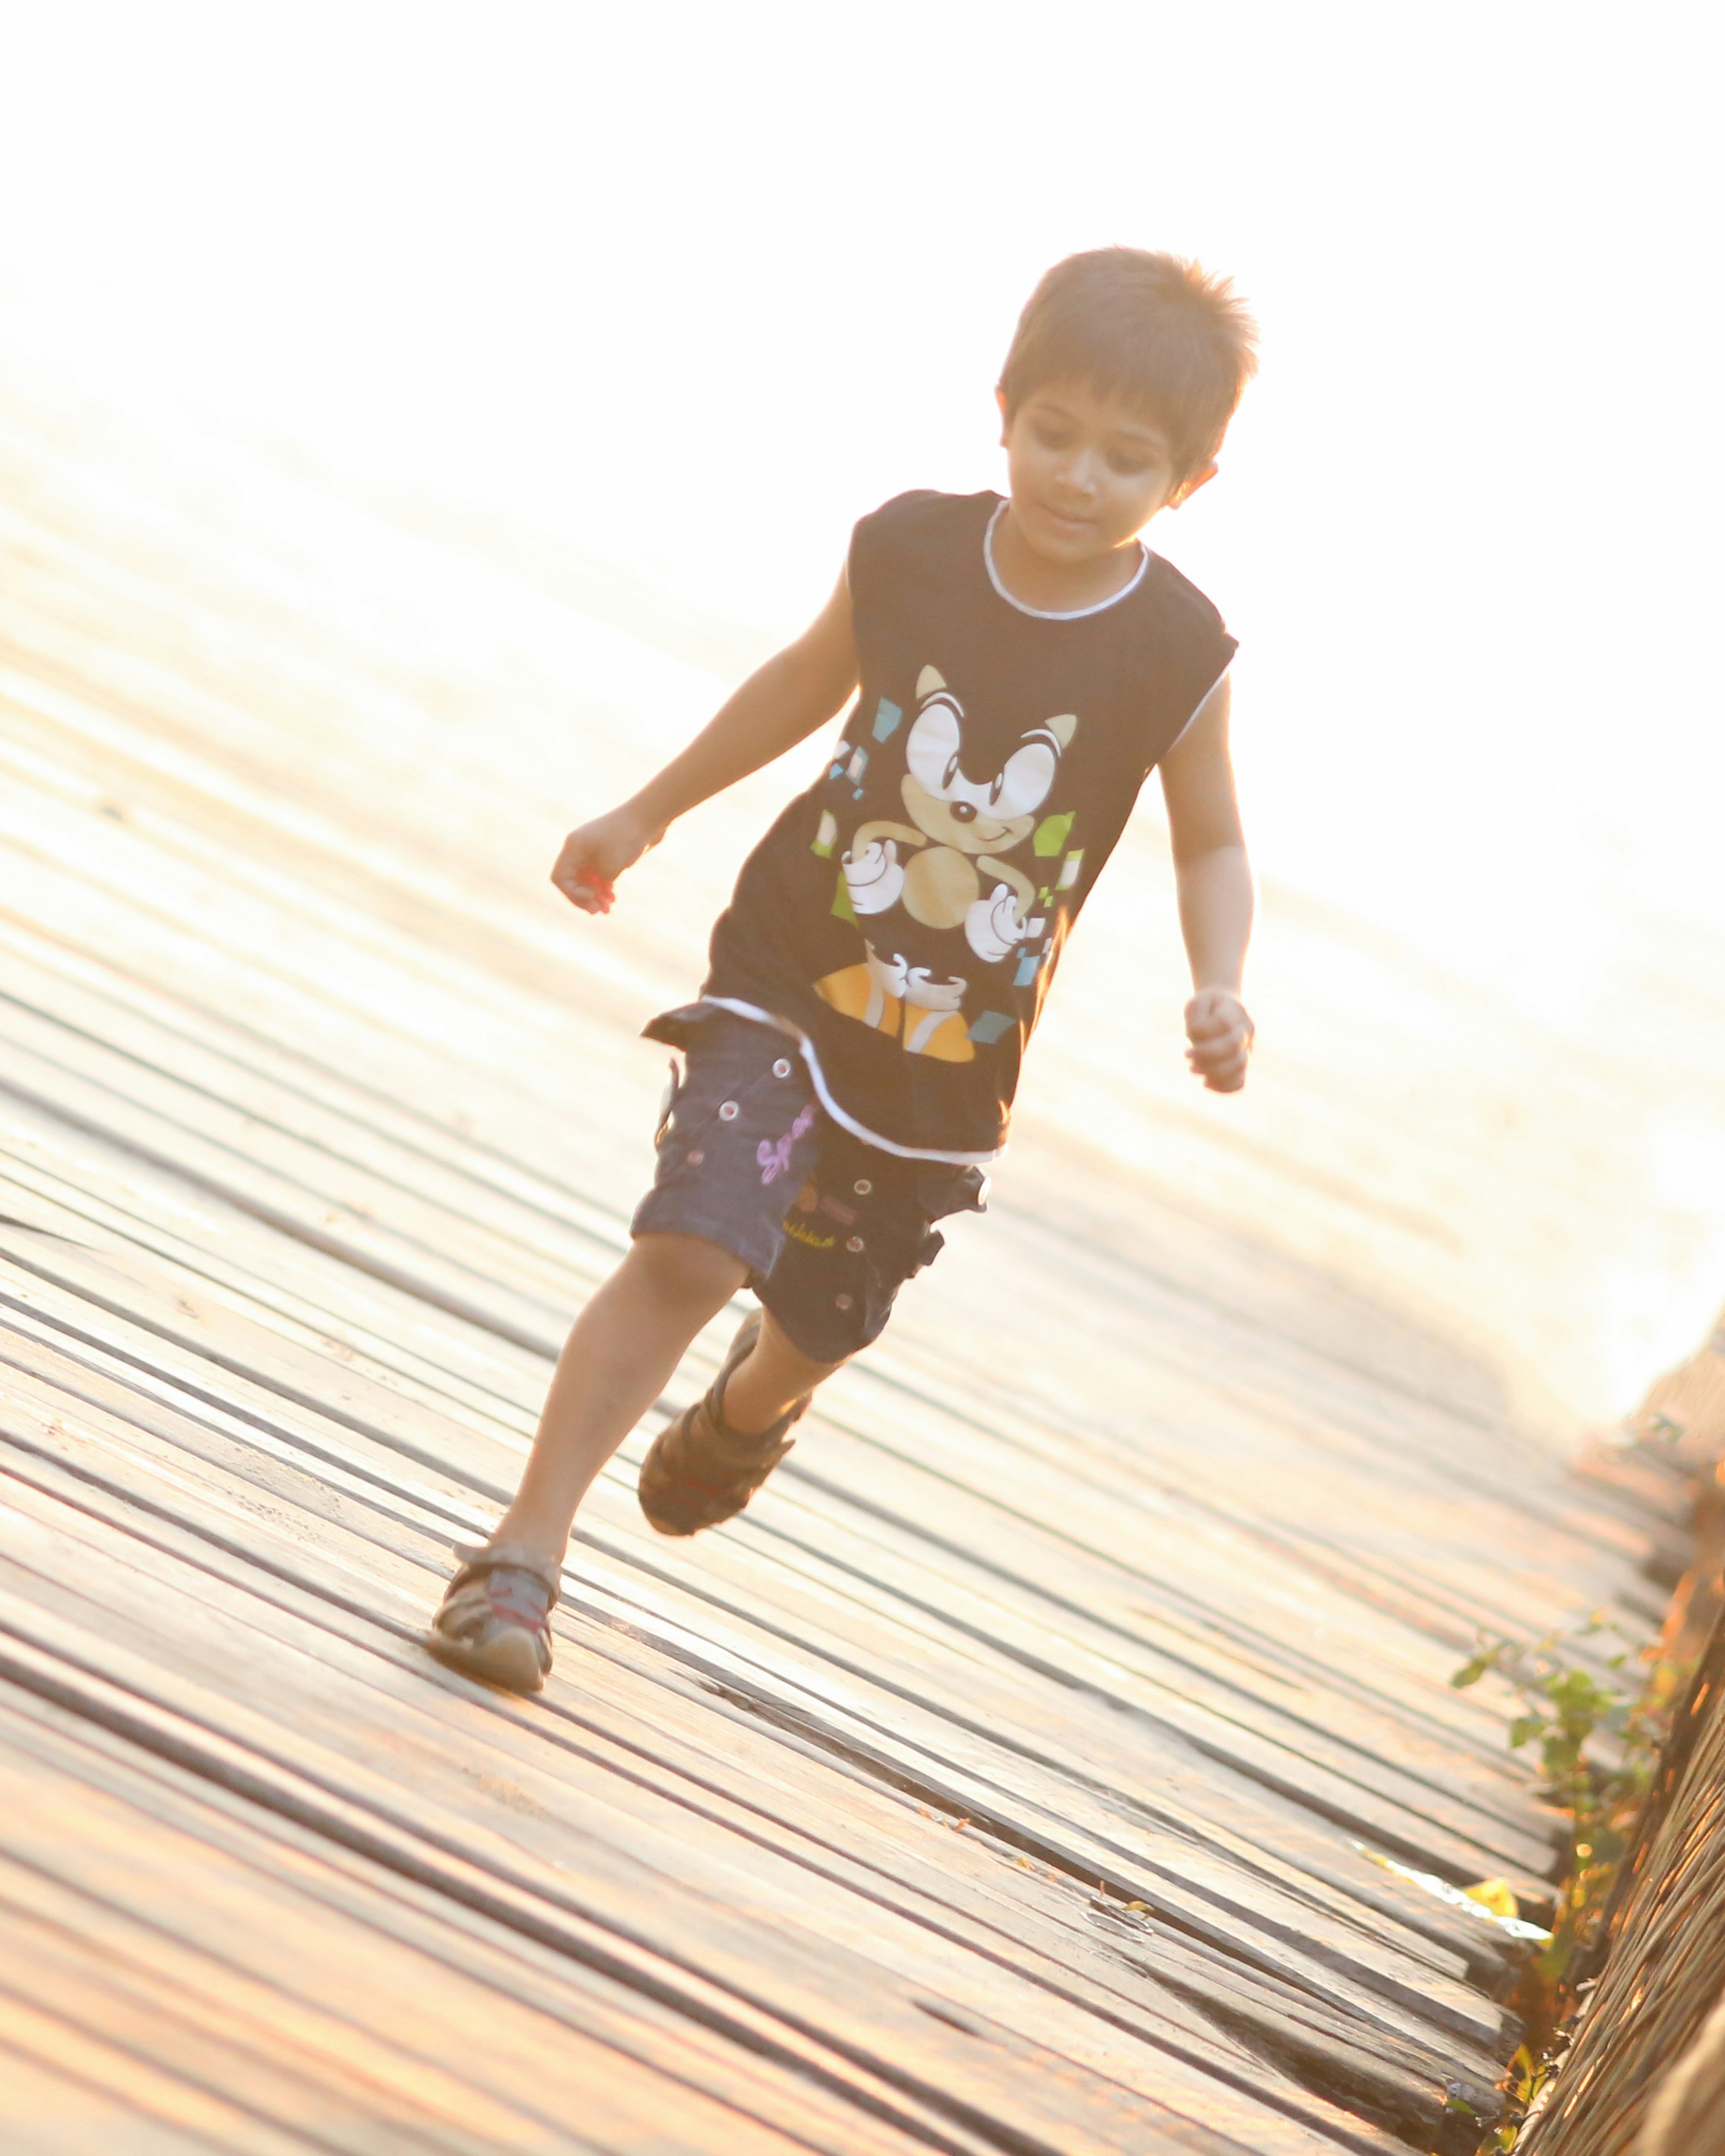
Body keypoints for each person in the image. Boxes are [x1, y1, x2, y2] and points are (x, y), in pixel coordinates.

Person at [425, 247, 1257, 1697]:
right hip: (790, 959)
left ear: (1189, 480)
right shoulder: (912, 548)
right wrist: (649, 807)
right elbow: (806, 684)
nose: (1075, 477)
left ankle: (751, 1409)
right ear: (1003, 410)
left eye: (1126, 460)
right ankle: (521, 1552)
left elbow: (1209, 844)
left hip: (948, 1055)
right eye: (1052, 433)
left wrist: (1219, 978)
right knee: (691, 1243)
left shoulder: (1173, 650)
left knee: (822, 1316)